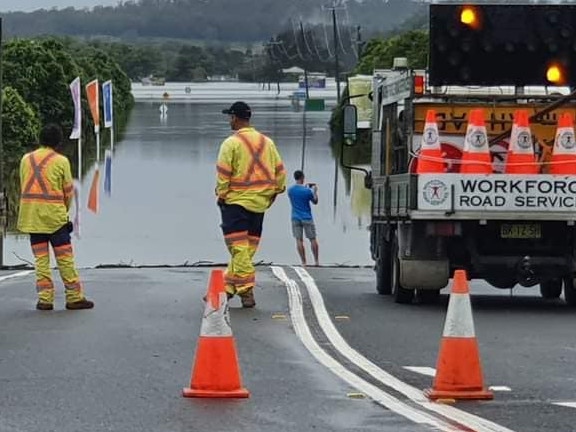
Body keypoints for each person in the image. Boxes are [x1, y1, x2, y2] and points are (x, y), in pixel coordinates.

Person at [216, 101, 286, 308]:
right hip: (260, 203)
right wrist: (275, 192)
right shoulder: (267, 143)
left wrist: (222, 194)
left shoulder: (230, 143)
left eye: (230, 117)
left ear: (235, 118)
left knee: (238, 248)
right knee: (247, 249)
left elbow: (223, 173)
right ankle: (227, 289)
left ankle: (246, 291)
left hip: (235, 202)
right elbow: (280, 172)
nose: (229, 120)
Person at [17, 124, 94, 311]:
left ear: (40, 139)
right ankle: (74, 298)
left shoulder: (26, 159)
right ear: (58, 142)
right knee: (65, 258)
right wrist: (63, 211)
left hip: (31, 219)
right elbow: (68, 192)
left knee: (41, 260)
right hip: (55, 220)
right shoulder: (61, 161)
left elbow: (23, 185)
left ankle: (45, 300)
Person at [287, 170, 319, 267]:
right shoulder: (307, 191)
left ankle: (303, 262)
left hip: (295, 217)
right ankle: (316, 261)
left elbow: (298, 196)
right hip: (307, 217)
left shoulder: (290, 190)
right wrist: (314, 191)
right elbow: (315, 201)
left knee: (299, 240)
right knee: (312, 239)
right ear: (302, 177)